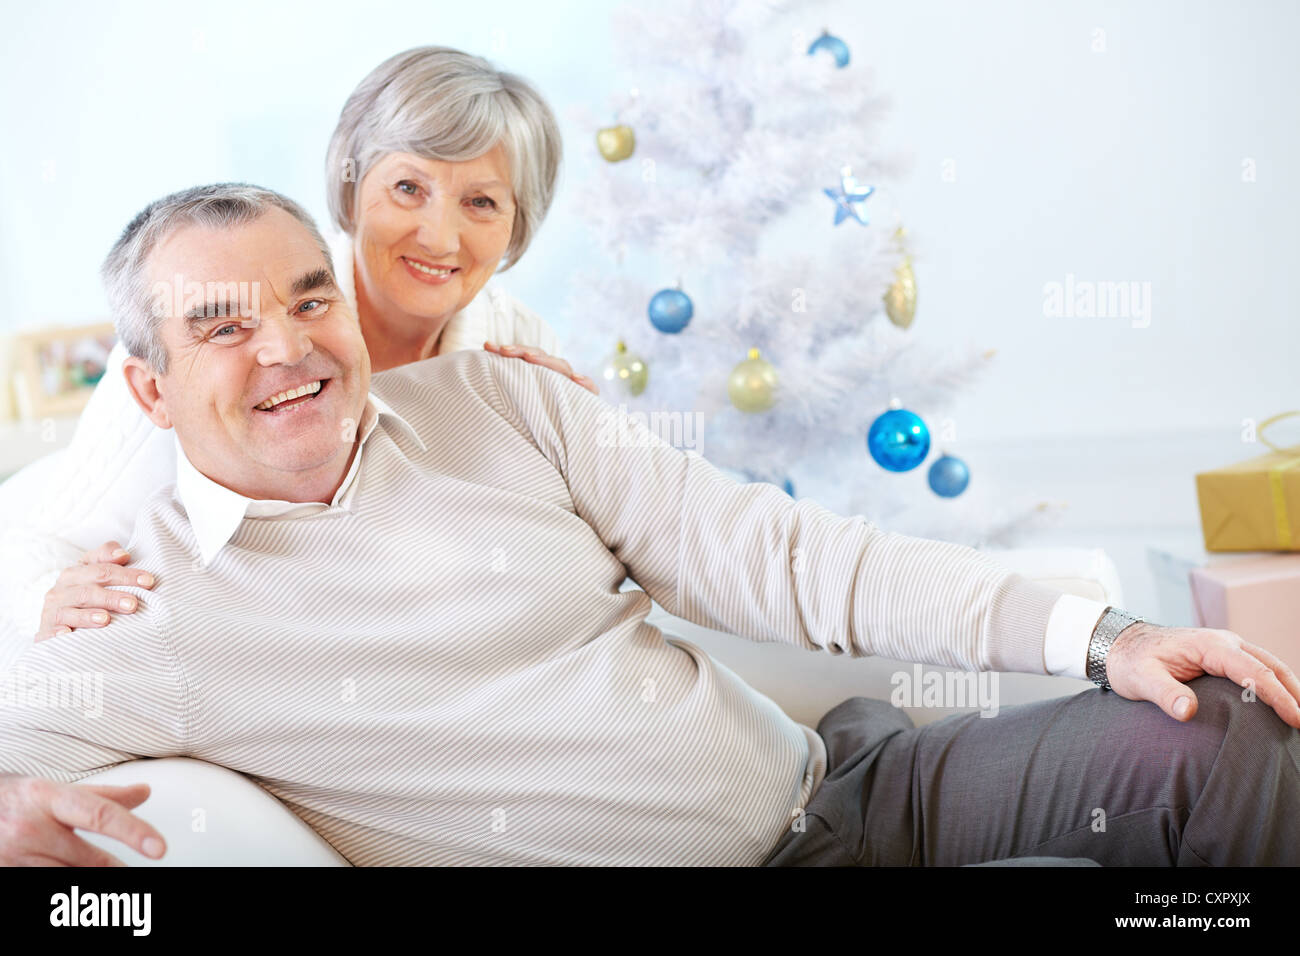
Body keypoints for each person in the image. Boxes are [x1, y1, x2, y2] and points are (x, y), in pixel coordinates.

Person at [1, 184, 1297, 867]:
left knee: (1210, 734)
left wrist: (1105, 634)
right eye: (224, 326)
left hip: (849, 792)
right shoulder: (149, 615)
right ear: (150, 388)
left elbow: (783, 560)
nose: (286, 347)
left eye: (306, 300)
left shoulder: (497, 401)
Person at [0, 46, 591, 648]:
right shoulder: (196, 356)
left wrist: (569, 443)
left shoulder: (517, 344)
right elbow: (39, 545)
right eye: (409, 188)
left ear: (518, 223)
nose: (440, 236)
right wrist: (45, 598)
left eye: (481, 202)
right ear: (351, 191)